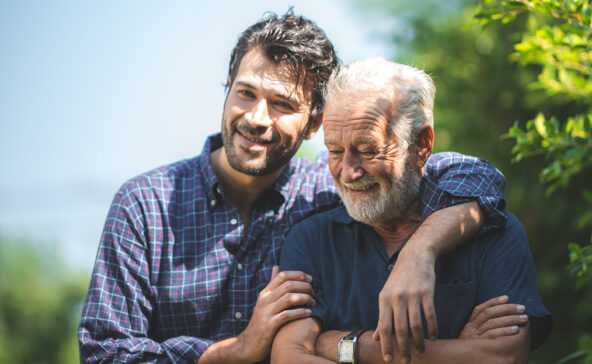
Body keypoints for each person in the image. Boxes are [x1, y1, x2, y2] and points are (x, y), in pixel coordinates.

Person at [77, 11, 509, 364]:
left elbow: (476, 176)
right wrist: (235, 350)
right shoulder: (144, 204)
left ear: (314, 124)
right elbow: (103, 354)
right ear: (226, 90)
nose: (257, 118)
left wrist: (420, 252)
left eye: (283, 104)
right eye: (245, 93)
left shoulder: (333, 187)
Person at [273, 58, 552, 364]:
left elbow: (503, 358)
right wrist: (456, 351)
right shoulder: (312, 240)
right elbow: (289, 358)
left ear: (421, 144)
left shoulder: (494, 234)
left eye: (368, 150)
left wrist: (343, 345)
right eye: (335, 151)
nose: (348, 172)